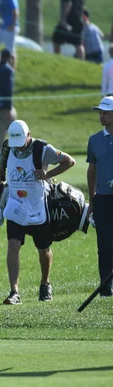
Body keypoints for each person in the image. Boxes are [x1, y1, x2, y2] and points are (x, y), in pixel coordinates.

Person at [0, 120, 75, 305]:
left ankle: (45, 284)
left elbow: (69, 161)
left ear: (28, 135)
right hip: (16, 205)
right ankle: (14, 292)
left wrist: (48, 175)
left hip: (37, 205)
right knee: (13, 244)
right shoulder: (8, 147)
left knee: (43, 249)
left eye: (21, 142)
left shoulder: (42, 148)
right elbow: (0, 171)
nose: (17, 147)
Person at [86, 96, 113, 297]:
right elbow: (92, 170)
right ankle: (106, 289)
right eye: (100, 112)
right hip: (102, 199)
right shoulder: (94, 140)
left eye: (106, 112)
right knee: (104, 245)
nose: (101, 116)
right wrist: (92, 197)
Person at [0, 0, 19, 67]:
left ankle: (11, 71)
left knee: (10, 51)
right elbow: (3, 14)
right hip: (3, 26)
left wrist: (13, 25)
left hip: (10, 27)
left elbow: (15, 11)